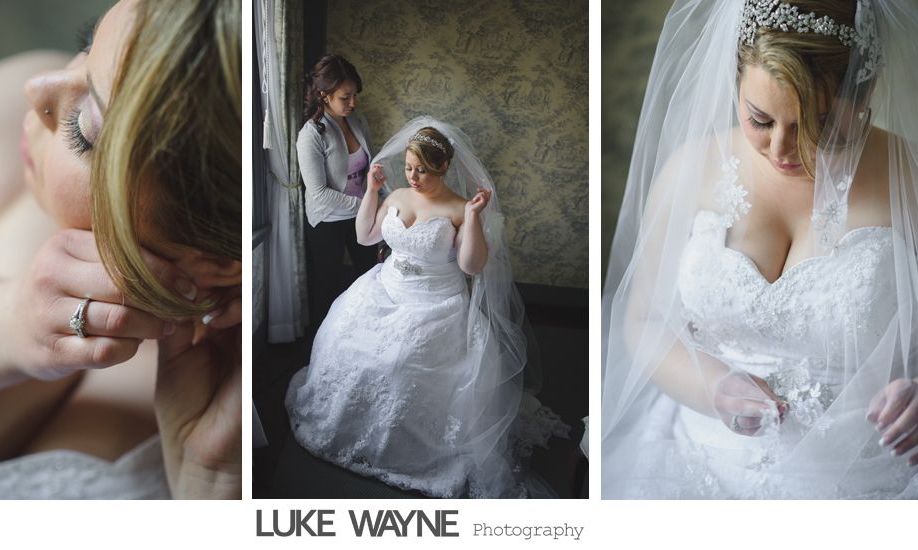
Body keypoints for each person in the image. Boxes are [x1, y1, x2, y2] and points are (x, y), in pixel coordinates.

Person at [0, 0, 240, 499]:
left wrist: (207, 483)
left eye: (85, 128)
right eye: (87, 44)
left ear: (220, 260)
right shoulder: (1, 121)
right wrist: (0, 323)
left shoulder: (233, 414)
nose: (39, 88)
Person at [602, 0, 918, 498]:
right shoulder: (691, 168)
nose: (781, 150)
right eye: (760, 119)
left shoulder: (909, 175)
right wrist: (712, 386)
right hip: (693, 457)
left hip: (865, 473)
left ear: (866, 92)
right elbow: (642, 322)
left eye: (817, 125)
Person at [286, 117, 567, 498]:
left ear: (443, 167)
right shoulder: (398, 197)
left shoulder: (458, 207)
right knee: (341, 338)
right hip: (385, 289)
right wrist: (372, 191)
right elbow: (366, 236)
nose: (413, 177)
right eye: (408, 168)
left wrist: (471, 218)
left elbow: (471, 267)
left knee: (398, 362)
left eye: (422, 170)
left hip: (435, 302)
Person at [297, 54, 379, 326]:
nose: (353, 103)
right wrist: (367, 205)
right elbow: (319, 193)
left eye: (354, 95)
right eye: (346, 97)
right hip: (328, 219)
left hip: (361, 215)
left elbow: (371, 166)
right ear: (324, 95)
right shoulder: (311, 135)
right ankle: (319, 346)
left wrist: (382, 195)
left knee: (370, 277)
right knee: (327, 286)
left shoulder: (357, 121)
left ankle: (362, 332)